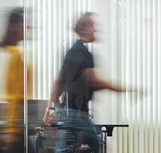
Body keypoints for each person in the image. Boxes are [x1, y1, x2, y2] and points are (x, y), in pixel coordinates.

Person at [42, 12, 126, 153]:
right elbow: (94, 81)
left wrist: (49, 108)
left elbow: (59, 81)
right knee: (92, 146)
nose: (95, 29)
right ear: (83, 28)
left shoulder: (72, 51)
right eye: (93, 25)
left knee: (94, 145)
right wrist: (123, 89)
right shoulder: (82, 53)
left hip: (74, 113)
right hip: (77, 114)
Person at [0, 8, 32, 153]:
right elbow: (12, 95)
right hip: (14, 126)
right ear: (14, 25)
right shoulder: (13, 54)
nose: (28, 27)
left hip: (18, 124)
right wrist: (11, 130)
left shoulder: (12, 52)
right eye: (24, 22)